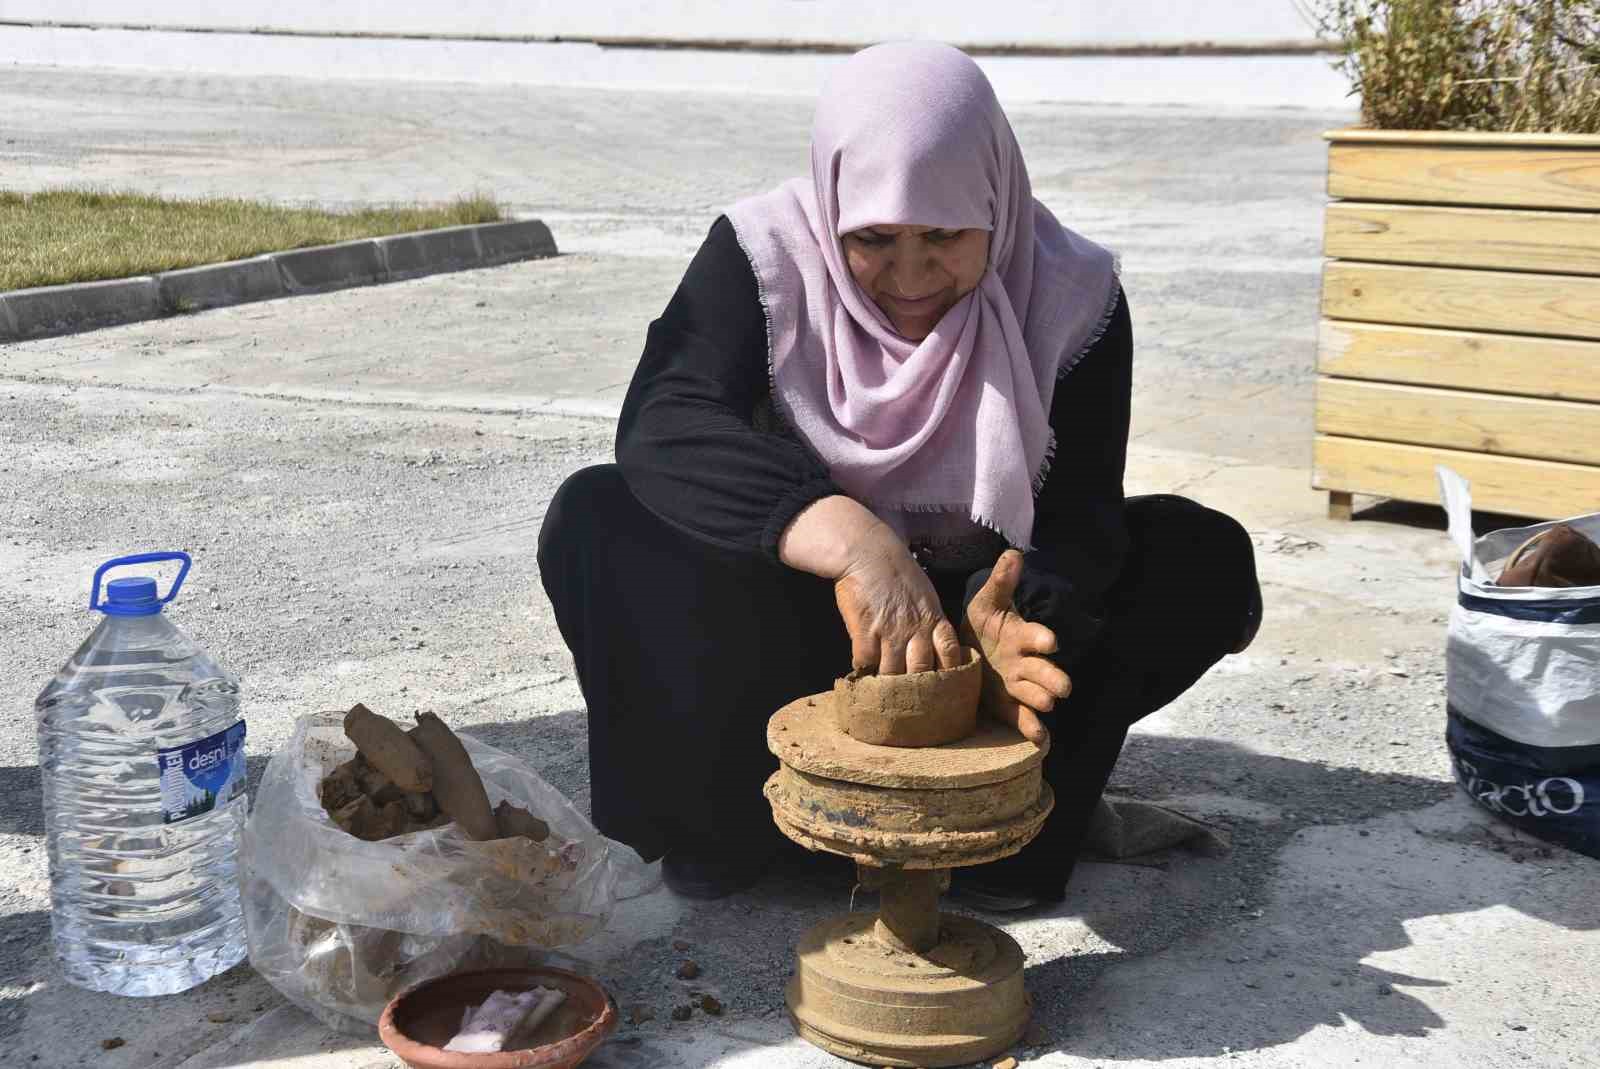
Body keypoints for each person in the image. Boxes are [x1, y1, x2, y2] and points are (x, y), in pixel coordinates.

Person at [539, 42, 1261, 908]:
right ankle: (725, 823)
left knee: (1201, 554)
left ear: (994, 203)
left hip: (970, 646)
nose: (911, 277)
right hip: (800, 629)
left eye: (945, 236)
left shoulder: (1071, 292)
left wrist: (1027, 618)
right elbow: (665, 424)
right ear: (834, 205)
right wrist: (851, 540)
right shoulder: (764, 257)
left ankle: (994, 833)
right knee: (595, 515)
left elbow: (1079, 521)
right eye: (874, 239)